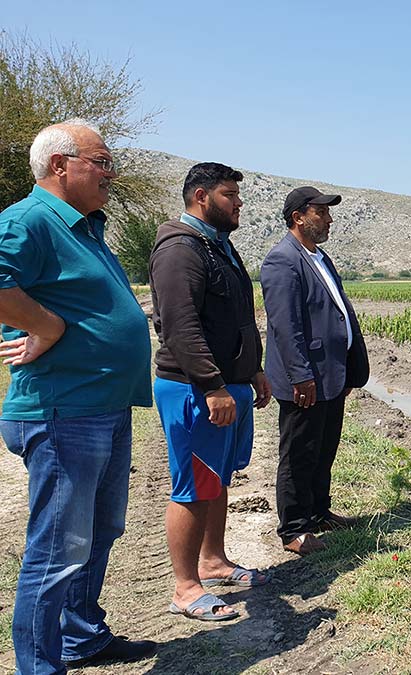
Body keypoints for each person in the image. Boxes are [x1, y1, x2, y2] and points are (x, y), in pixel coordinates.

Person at [0, 120, 156, 671]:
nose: (111, 173)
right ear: (60, 165)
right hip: (63, 411)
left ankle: (82, 636)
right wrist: (48, 326)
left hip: (102, 406)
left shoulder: (83, 227)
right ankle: (39, 667)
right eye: (102, 161)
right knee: (57, 551)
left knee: (98, 532)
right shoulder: (28, 220)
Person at [148, 162, 272, 621]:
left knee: (216, 479)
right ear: (201, 197)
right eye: (229, 195)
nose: (238, 203)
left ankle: (213, 561)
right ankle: (185, 588)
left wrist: (252, 370)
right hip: (194, 390)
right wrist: (212, 385)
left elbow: (237, 319)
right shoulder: (180, 250)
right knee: (193, 485)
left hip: (226, 385)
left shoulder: (218, 246)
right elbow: (181, 327)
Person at [261, 186, 369, 555]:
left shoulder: (319, 257)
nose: (329, 219)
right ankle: (294, 529)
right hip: (306, 379)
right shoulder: (282, 261)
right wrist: (300, 375)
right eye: (321, 212)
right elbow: (285, 326)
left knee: (324, 448)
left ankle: (319, 512)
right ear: (298, 217)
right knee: (299, 453)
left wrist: (348, 367)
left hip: (330, 374)